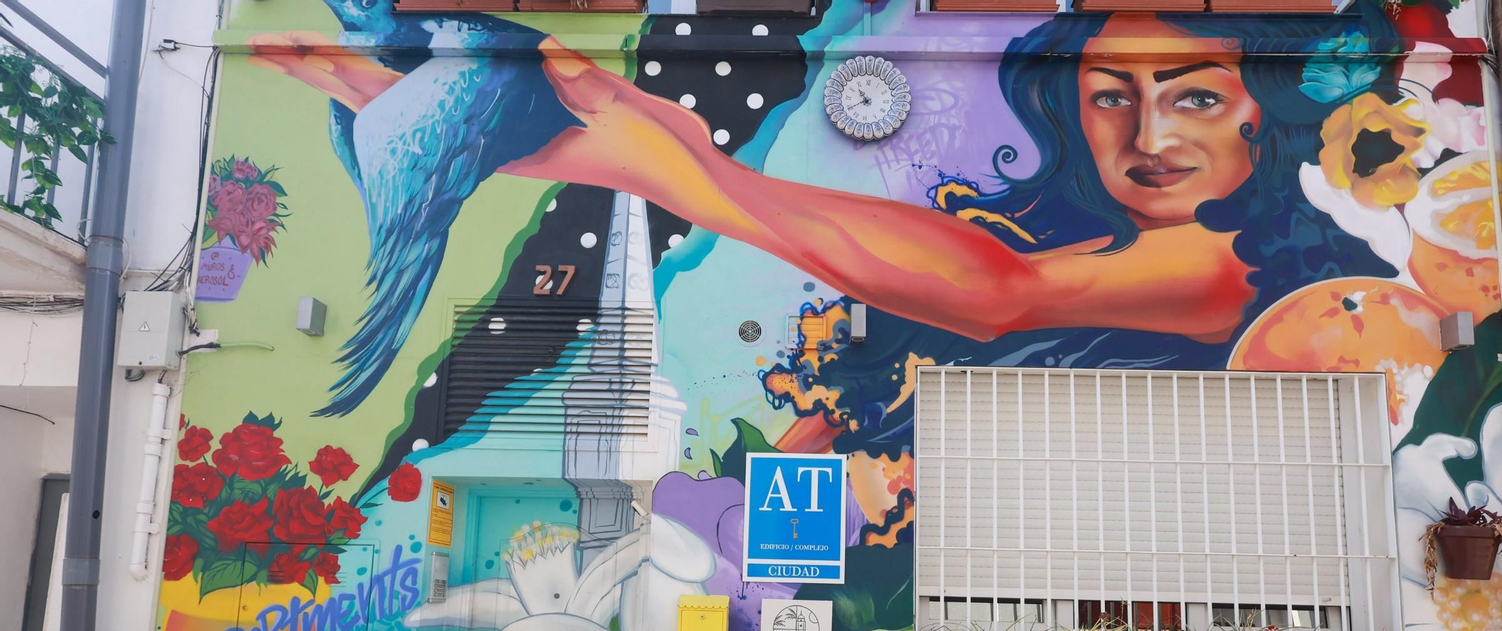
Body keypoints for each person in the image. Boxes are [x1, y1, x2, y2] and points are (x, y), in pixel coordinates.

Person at [254, 8, 1398, 367]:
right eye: (1108, 95)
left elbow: (995, 292)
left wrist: (673, 165)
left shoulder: (1239, 261)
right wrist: (656, 143)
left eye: (1192, 95)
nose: (1147, 133)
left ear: (1264, 107)